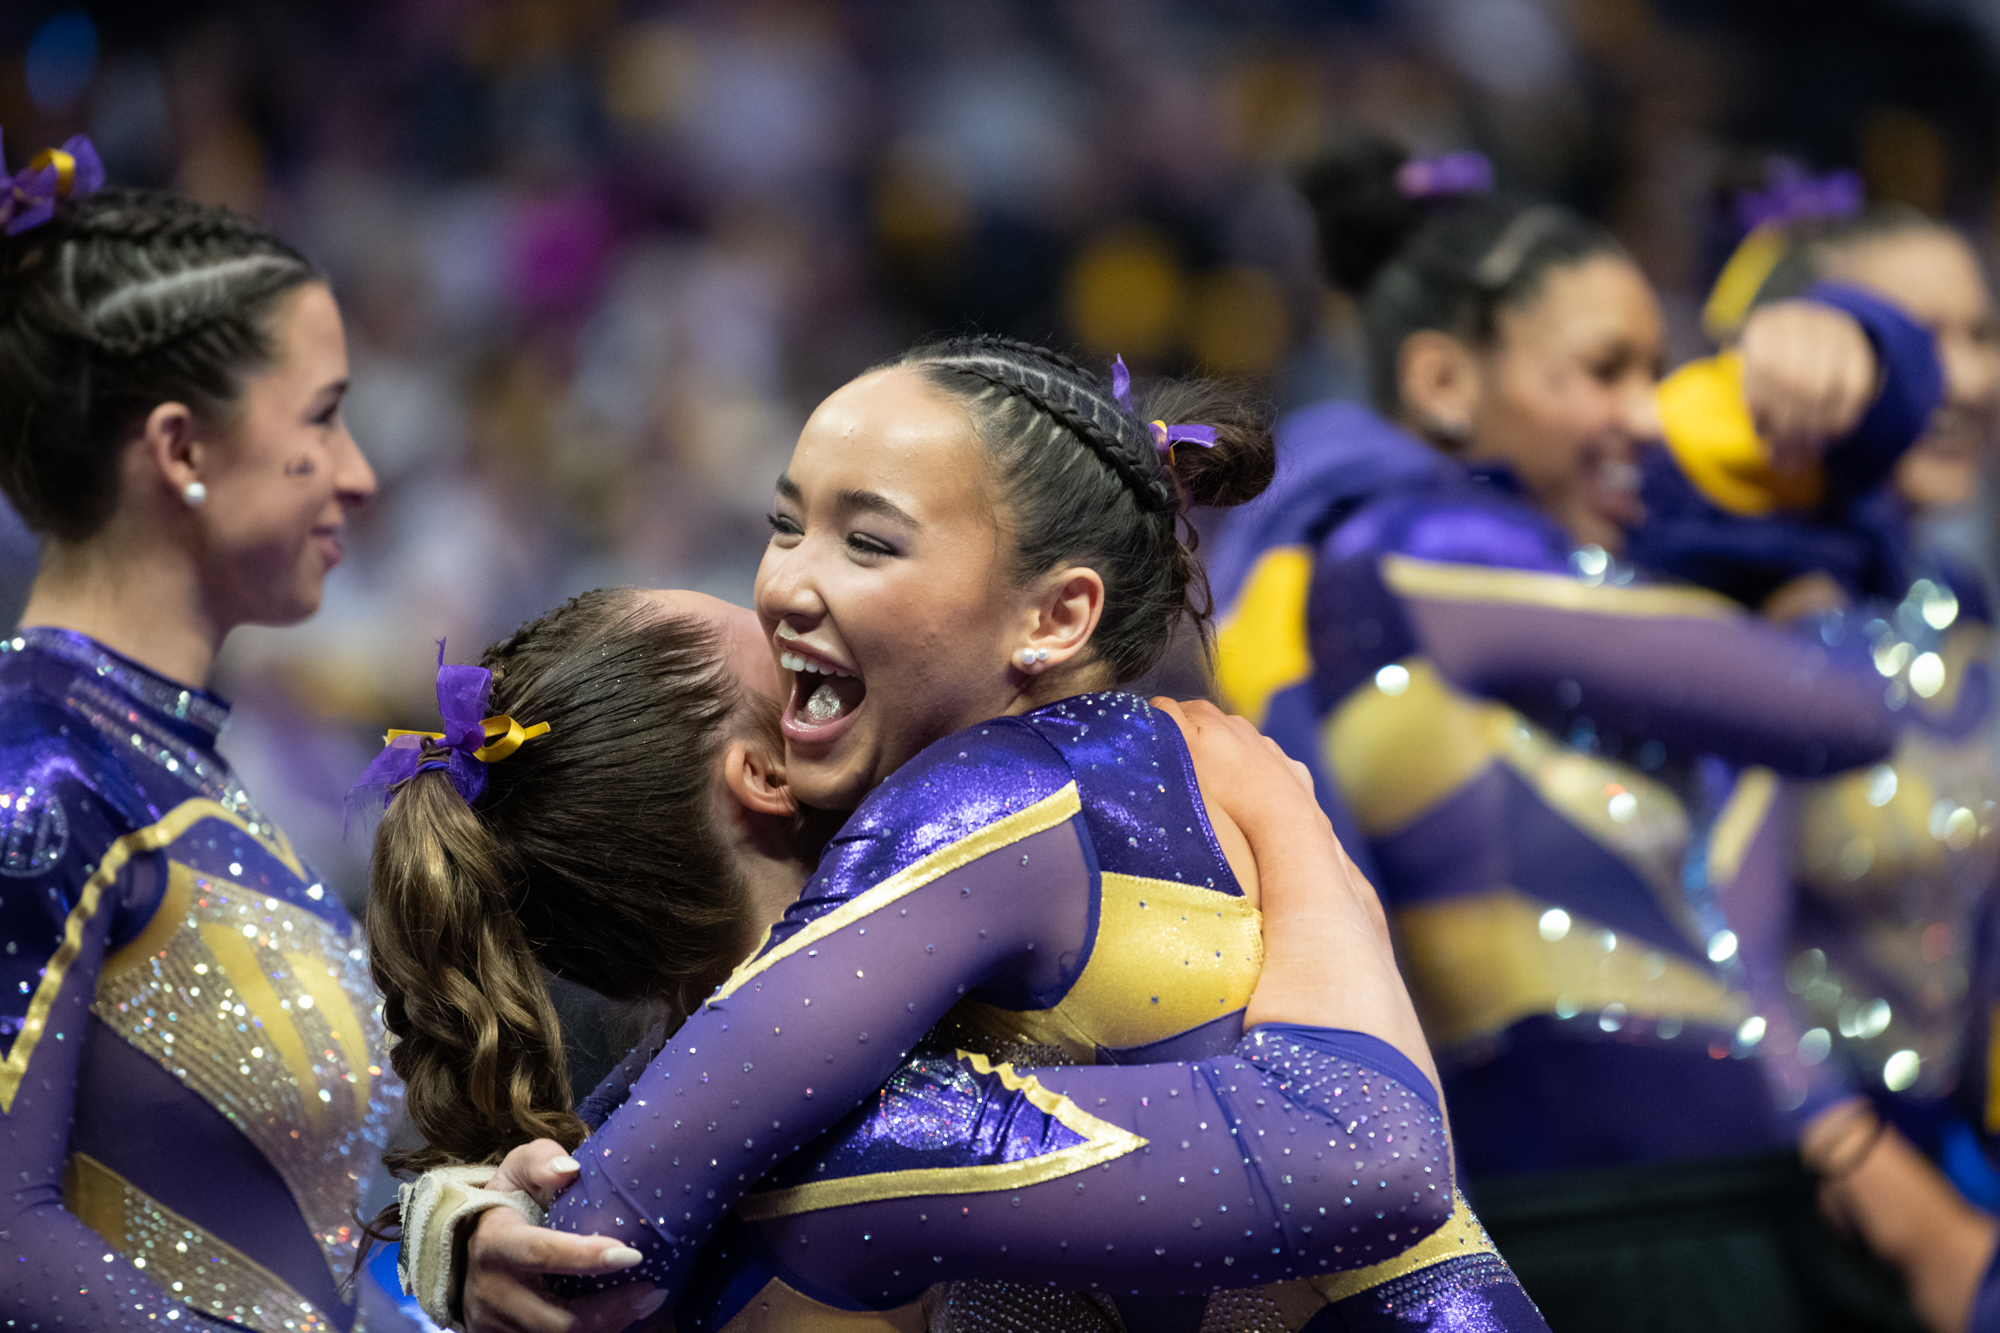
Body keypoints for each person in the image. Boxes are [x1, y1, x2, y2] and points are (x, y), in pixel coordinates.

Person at [370, 339, 1549, 1331]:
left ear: (1053, 616)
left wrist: (462, 1223)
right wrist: (1311, 870)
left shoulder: (1012, 785)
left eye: (864, 540)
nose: (783, 586)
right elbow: (660, 1152)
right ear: (759, 778)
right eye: (784, 526)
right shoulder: (938, 903)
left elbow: (622, 1212)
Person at [1208, 137, 1970, 1330]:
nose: (1647, 419)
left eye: (1656, 372)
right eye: (1603, 371)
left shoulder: (1562, 573)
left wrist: (1855, 348)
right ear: (1445, 384)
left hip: (1689, 1202)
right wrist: (1797, 544)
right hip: (1606, 1230)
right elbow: (1840, 709)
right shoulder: (1411, 557)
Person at [0, 138, 411, 1332]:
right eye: (324, 420)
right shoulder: (38, 776)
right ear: (180, 448)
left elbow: (299, 1250)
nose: (362, 474)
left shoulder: (167, 767)